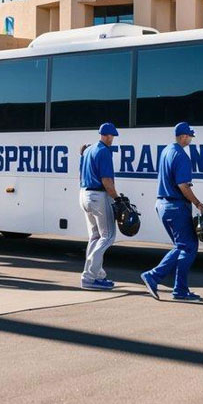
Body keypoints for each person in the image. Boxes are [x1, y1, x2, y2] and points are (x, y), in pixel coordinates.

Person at [141, 122, 203, 302]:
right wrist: (198, 203)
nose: (191, 139)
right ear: (183, 136)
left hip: (162, 205)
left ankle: (180, 290)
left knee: (182, 247)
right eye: (190, 136)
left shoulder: (166, 151)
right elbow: (182, 185)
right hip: (175, 206)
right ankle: (153, 276)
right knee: (187, 246)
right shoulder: (181, 156)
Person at [78, 123, 121, 290]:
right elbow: (107, 181)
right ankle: (89, 277)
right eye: (113, 136)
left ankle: (98, 275)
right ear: (108, 136)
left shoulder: (89, 150)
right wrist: (117, 198)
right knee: (108, 236)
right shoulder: (104, 151)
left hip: (84, 194)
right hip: (98, 195)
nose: (113, 140)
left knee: (95, 237)